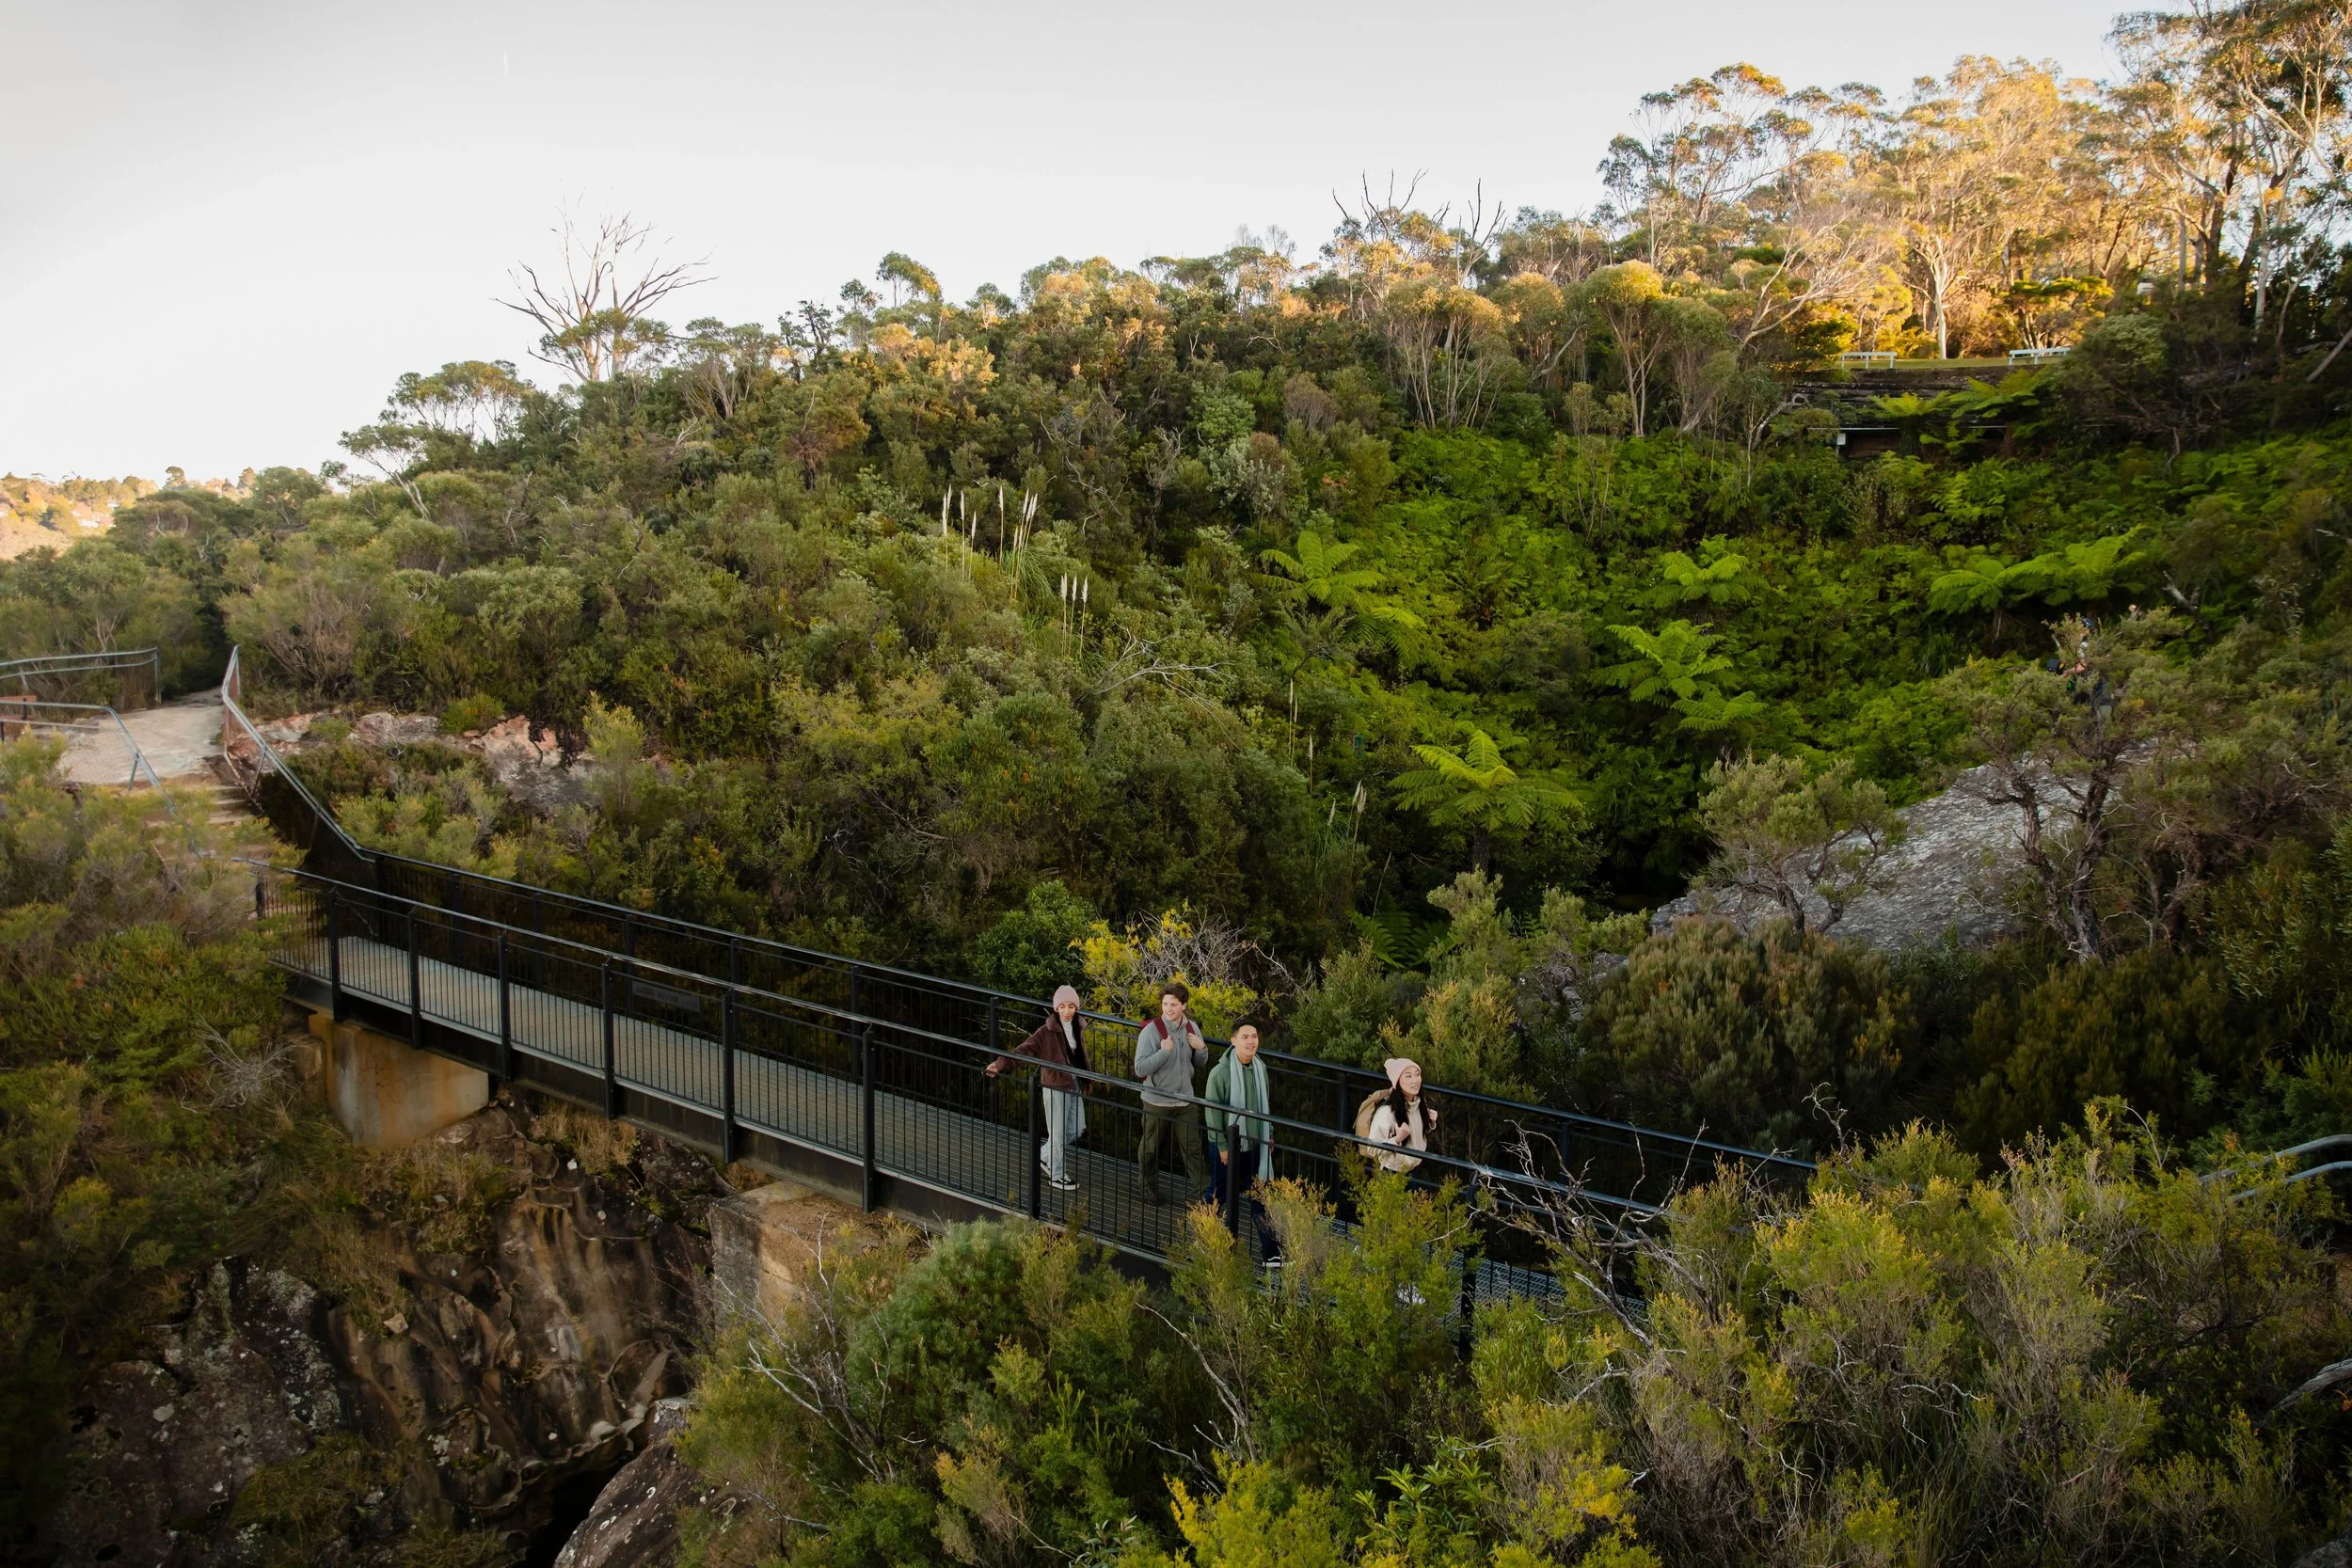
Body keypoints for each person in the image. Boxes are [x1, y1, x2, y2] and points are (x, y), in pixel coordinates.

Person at [985, 984, 1089, 1192]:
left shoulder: (1078, 1027)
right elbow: (1024, 1050)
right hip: (1055, 1085)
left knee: (1077, 1128)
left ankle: (1043, 1156)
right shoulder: (1046, 1031)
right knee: (1058, 1133)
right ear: (1056, 1008)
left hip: (1074, 1081)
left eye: (1071, 1006)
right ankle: (1057, 1175)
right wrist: (1000, 1064)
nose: (1067, 1011)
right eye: (1062, 1006)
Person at [1204, 1018, 1280, 1259]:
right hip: (1227, 1146)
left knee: (1260, 1196)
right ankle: (1203, 1234)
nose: (1251, 1041)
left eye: (1254, 1036)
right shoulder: (1220, 1073)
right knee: (1219, 1195)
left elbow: (1264, 1105)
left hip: (1256, 1144)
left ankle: (1271, 1254)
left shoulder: (1260, 1068)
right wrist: (1223, 1146)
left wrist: (1269, 1135)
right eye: (1245, 1037)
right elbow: (1213, 1113)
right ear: (1233, 1040)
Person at [1133, 980, 1210, 1204]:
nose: (1168, 1008)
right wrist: (1164, 1052)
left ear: (1183, 1005)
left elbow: (1200, 1063)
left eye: (1174, 1004)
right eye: (1165, 1003)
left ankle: (1204, 1194)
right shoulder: (1152, 1031)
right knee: (1150, 1148)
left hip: (1185, 1101)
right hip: (1156, 1101)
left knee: (1194, 1150)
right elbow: (1140, 1068)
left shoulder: (1192, 1028)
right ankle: (1147, 1187)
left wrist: (1201, 1048)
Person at [1367, 1056, 1437, 1174]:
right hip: (1392, 1172)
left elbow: (1416, 1133)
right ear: (1397, 1081)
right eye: (1408, 1076)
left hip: (1414, 1168)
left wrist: (1430, 1123)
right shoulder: (1386, 1113)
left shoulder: (1419, 1103)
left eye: (1417, 1074)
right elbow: (1372, 1149)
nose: (1415, 1080)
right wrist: (1397, 1139)